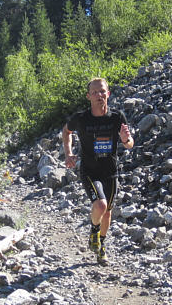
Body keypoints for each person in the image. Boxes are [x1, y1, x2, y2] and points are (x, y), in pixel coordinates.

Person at [62, 77, 134, 265]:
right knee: (100, 205)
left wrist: (126, 140)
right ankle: (94, 231)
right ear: (89, 96)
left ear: (108, 94)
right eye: (95, 92)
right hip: (89, 170)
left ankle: (101, 247)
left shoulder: (117, 117)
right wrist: (68, 153)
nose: (99, 95)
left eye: (102, 91)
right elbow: (66, 131)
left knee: (108, 212)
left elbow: (130, 145)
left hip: (110, 171)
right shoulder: (81, 118)